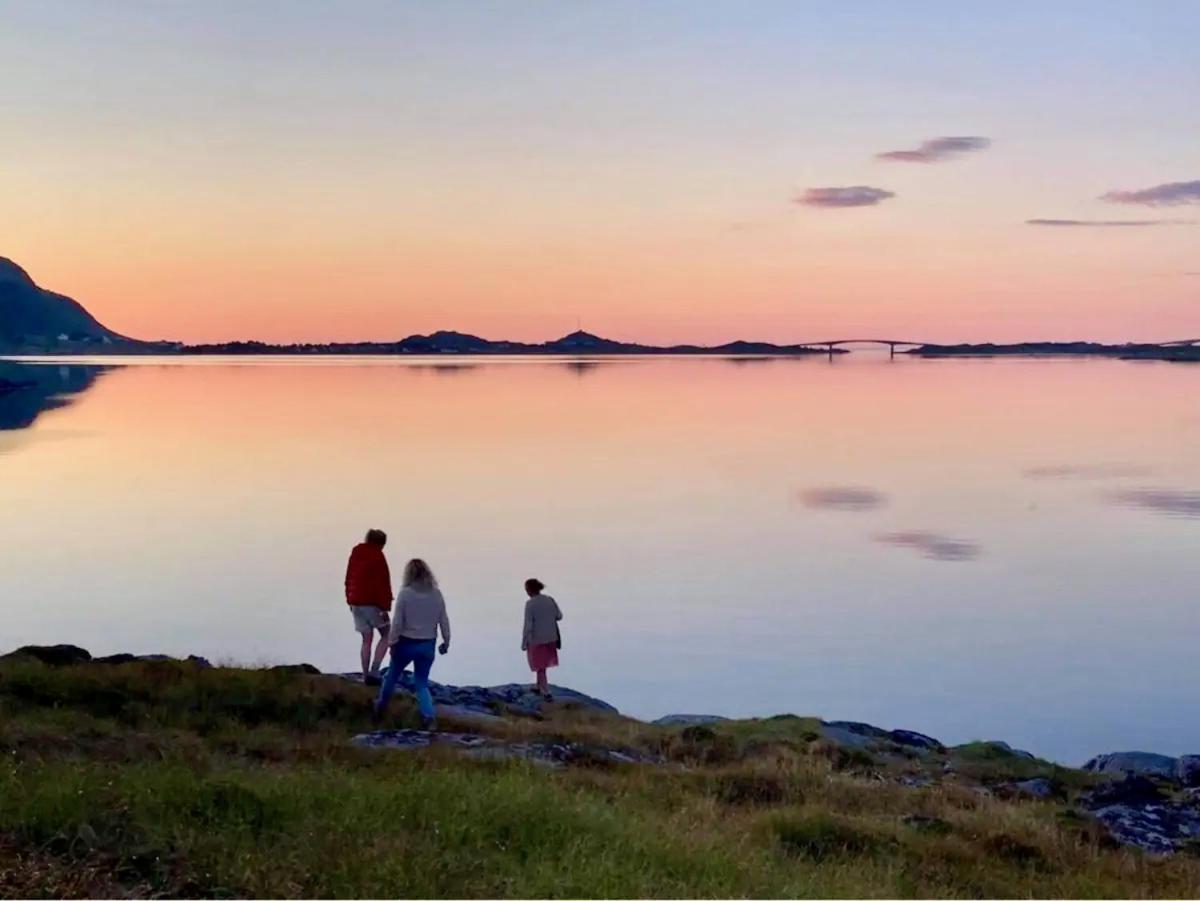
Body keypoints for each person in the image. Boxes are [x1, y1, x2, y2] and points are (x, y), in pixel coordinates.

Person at [374, 558, 450, 729]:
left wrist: (392, 642)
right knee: (421, 683)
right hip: (427, 644)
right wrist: (446, 640)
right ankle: (429, 717)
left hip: (405, 643)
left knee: (391, 676)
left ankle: (381, 707)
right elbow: (443, 619)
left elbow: (398, 622)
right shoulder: (436, 593)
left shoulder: (405, 594)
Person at [344, 529, 393, 685]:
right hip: (372, 604)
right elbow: (382, 584)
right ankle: (375, 671)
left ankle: (365, 676)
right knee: (387, 634)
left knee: (366, 640)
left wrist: (349, 599)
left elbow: (348, 577)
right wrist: (385, 607)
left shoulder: (356, 553)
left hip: (355, 602)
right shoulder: (378, 556)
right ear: (381, 543)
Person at [521, 578, 562, 699]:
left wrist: (524, 642)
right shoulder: (549, 600)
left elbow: (528, 625)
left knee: (539, 665)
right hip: (551, 637)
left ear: (529, 590)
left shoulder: (530, 604)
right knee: (542, 665)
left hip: (537, 639)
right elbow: (559, 616)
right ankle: (539, 685)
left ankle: (545, 691)